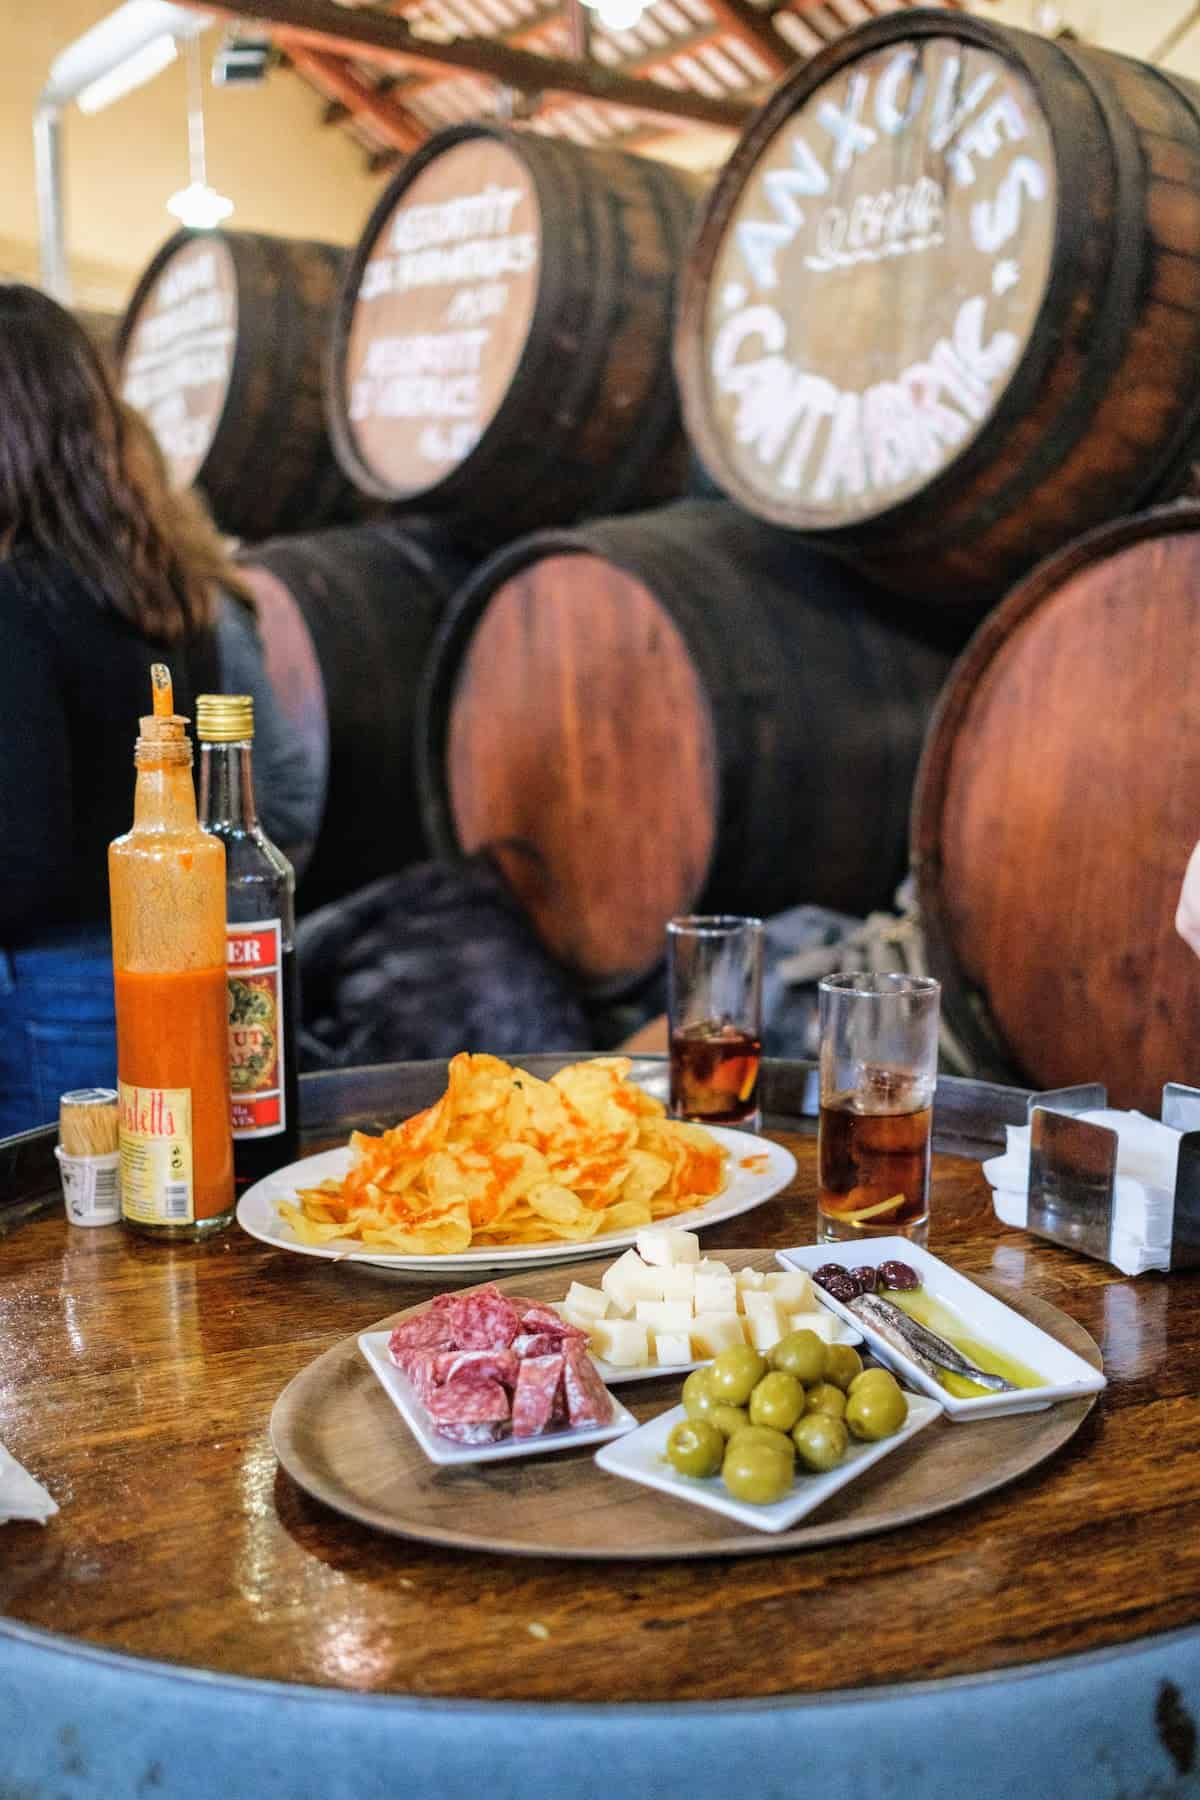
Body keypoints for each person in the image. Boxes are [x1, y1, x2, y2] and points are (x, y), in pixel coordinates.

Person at [0, 284, 318, 1137]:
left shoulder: (16, 595)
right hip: (174, 957)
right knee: (163, 1205)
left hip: (52, 993)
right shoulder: (157, 583)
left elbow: (23, 863)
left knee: (64, 1239)